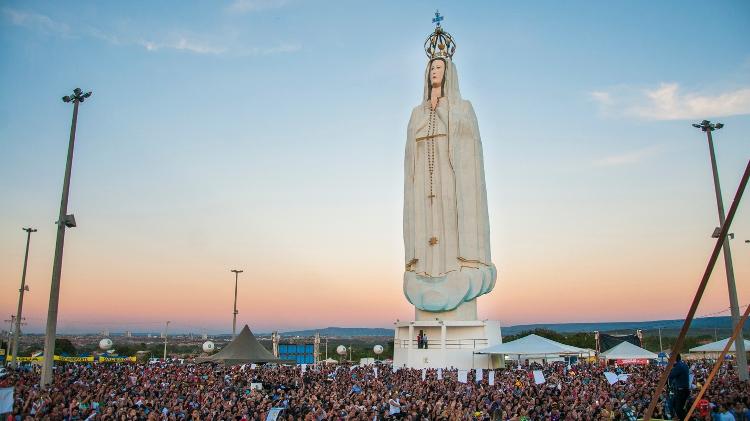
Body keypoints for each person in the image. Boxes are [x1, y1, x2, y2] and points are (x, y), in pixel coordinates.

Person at [668, 354, 690, 420]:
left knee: (678, 409)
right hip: (683, 389)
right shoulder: (684, 364)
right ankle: (680, 417)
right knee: (673, 404)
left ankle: (683, 419)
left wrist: (670, 366)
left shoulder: (679, 366)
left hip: (681, 391)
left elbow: (670, 375)